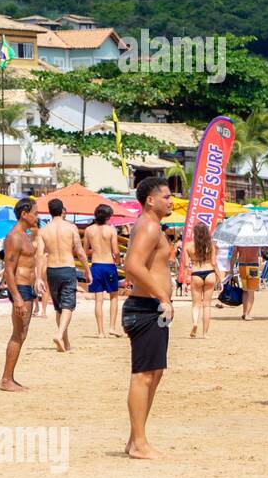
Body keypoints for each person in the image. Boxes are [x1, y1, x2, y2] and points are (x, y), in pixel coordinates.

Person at [121, 177, 175, 459]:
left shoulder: (151, 226)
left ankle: (135, 440)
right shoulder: (150, 226)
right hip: (144, 307)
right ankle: (139, 443)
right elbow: (132, 267)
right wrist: (162, 296)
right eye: (166, 196)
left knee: (154, 373)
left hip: (150, 308)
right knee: (143, 376)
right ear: (150, 200)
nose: (171, 200)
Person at [0, 198, 45, 391]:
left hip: (27, 289)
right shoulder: (15, 236)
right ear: (24, 214)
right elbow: (9, 270)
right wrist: (17, 297)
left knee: (21, 333)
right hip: (20, 288)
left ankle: (9, 377)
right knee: (18, 334)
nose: (38, 216)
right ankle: (6, 380)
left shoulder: (25, 235)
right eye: (35, 212)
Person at [38, 197, 90, 353]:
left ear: (50, 211)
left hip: (52, 269)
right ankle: (60, 335)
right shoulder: (71, 227)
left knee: (59, 307)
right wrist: (87, 270)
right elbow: (80, 251)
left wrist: (39, 277)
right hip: (67, 267)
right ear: (62, 211)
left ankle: (65, 343)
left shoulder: (43, 230)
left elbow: (40, 255)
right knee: (68, 305)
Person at [84, 203, 121, 339]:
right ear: (108, 216)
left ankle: (100, 331)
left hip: (95, 265)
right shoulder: (111, 230)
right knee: (114, 297)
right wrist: (118, 261)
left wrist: (95, 250)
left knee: (98, 300)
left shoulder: (89, 230)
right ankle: (112, 327)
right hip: (109, 265)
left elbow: (85, 250)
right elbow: (116, 251)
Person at [184, 222, 219, 338]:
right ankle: (205, 333)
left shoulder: (188, 246)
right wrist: (219, 278)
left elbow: (185, 265)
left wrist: (184, 281)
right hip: (209, 272)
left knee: (195, 304)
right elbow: (214, 263)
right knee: (207, 305)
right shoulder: (210, 245)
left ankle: (195, 323)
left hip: (196, 273)